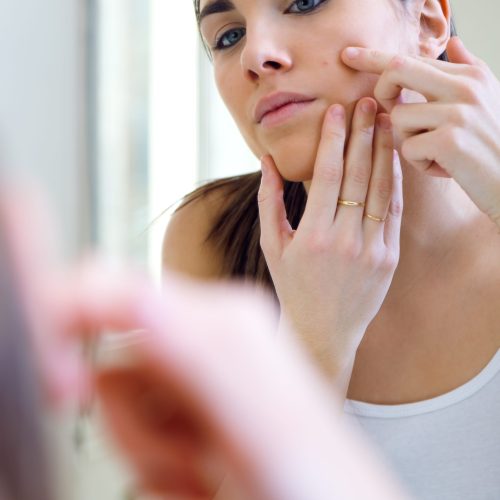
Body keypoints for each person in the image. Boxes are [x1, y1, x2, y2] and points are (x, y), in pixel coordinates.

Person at [163, 0, 500, 498]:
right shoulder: (210, 241)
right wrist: (312, 341)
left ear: (428, 21)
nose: (257, 54)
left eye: (304, 2)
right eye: (228, 36)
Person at [0, 187, 408, 500]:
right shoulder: (209, 231)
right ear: (22, 228)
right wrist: (315, 344)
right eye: (218, 67)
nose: (253, 69)